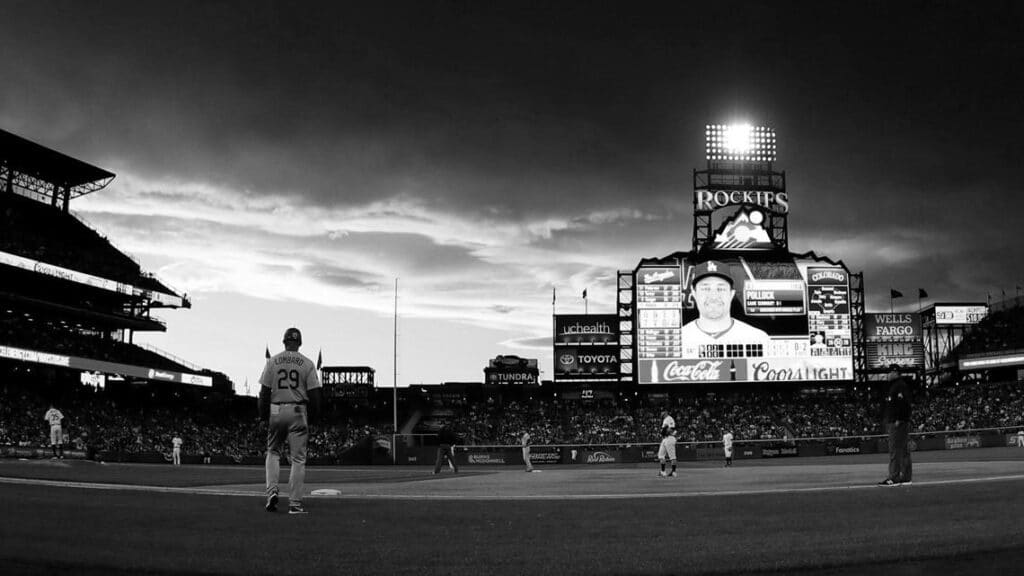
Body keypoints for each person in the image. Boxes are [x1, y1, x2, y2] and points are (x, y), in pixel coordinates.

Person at [259, 327, 322, 514]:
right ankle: (294, 504)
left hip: (276, 409)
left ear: (284, 342)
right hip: (298, 410)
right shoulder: (307, 363)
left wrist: (263, 416)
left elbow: (264, 393)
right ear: (299, 343)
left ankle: (271, 492)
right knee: (298, 459)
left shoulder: (273, 361)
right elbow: (315, 394)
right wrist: (315, 417)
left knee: (273, 451)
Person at [680, 261, 770, 346]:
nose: (714, 296)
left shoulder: (758, 339)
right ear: (694, 293)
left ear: (731, 294)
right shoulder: (677, 341)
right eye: (705, 289)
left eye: (721, 289)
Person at [879, 369, 912, 486]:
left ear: (895, 373)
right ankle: (906, 477)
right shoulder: (896, 385)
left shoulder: (899, 386)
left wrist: (900, 419)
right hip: (898, 421)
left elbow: (904, 404)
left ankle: (894, 477)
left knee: (895, 450)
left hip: (898, 422)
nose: (888, 375)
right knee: (903, 450)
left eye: (890, 372)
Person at [657, 411, 678, 477]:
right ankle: (663, 472)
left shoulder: (669, 418)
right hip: (665, 439)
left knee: (672, 457)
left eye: (662, 414)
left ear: (665, 414)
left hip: (670, 438)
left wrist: (664, 432)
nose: (661, 415)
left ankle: (674, 472)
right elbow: (666, 429)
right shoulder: (665, 420)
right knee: (661, 455)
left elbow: (672, 428)